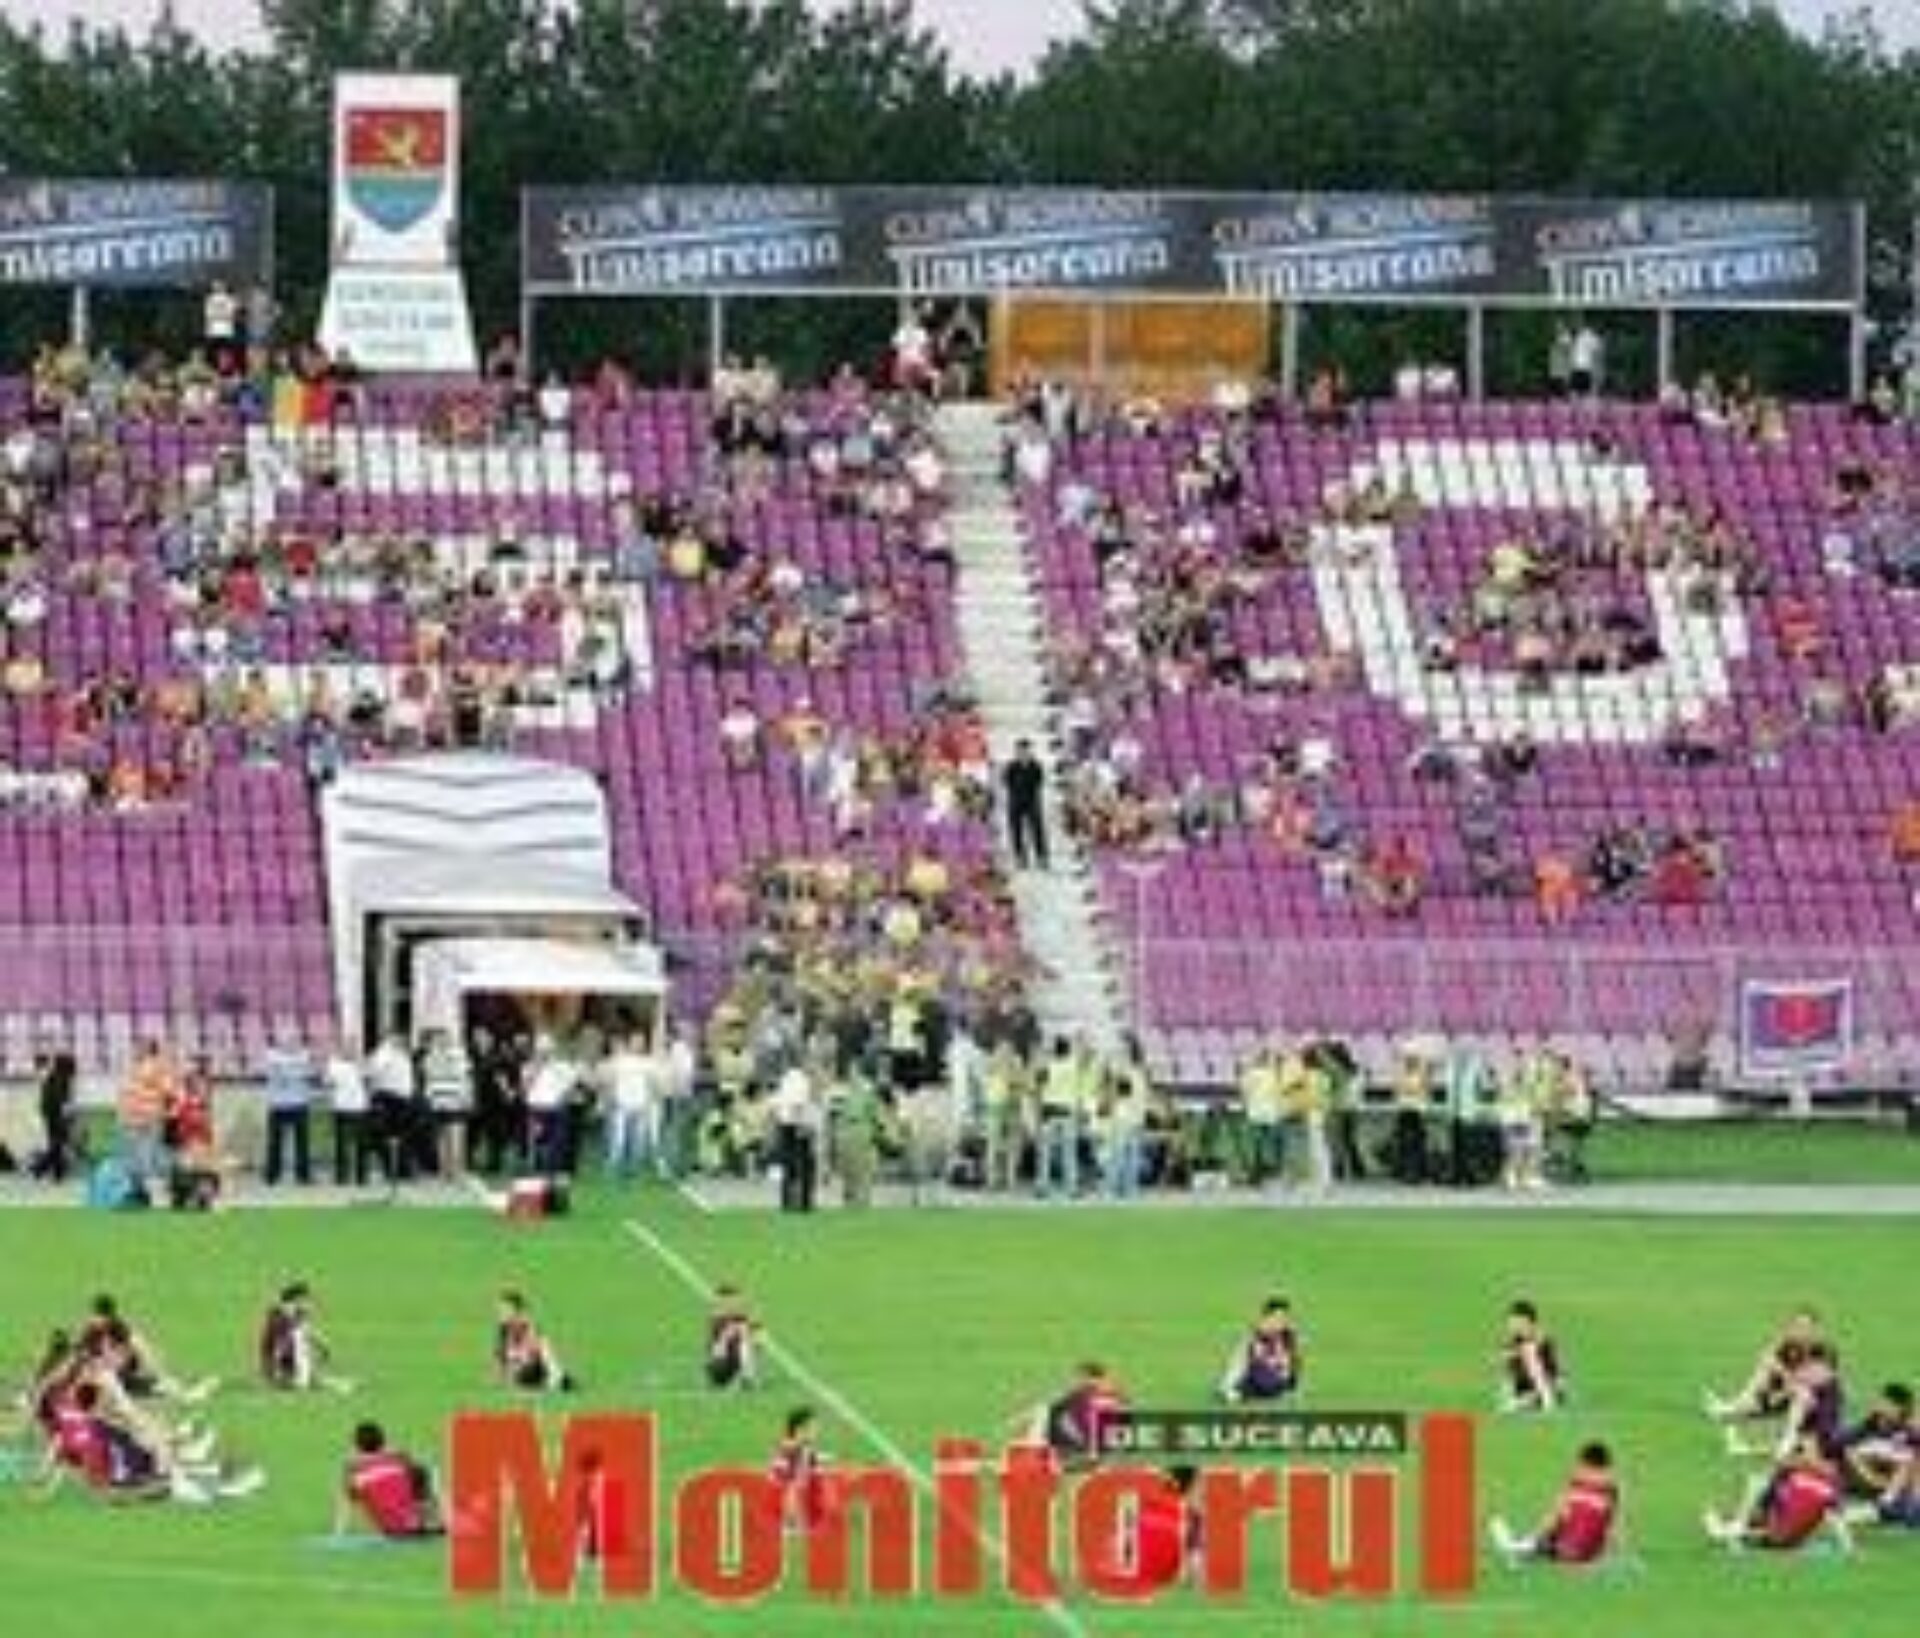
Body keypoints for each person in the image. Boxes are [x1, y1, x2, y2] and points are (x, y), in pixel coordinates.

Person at [1704, 1436, 1854, 1553]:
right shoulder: (1808, 1477)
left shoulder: (1819, 1482)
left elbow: (1834, 1518)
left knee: (1758, 1486)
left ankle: (1734, 1531)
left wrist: (1847, 1546)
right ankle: (1737, 1527)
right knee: (1761, 1487)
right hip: (1784, 1530)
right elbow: (1835, 1519)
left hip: (1781, 1536)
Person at [1489, 1442, 1621, 1566]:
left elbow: (1555, 1516)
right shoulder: (1611, 1489)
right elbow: (1612, 1527)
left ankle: (1522, 1547)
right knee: (1570, 1523)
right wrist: (1605, 1555)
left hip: (1566, 1550)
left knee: (1558, 1522)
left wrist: (1536, 1537)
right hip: (1589, 1554)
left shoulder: (1576, 1484)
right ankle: (1523, 1548)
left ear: (1584, 1463)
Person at [1705, 1307, 1830, 1422]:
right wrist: (1782, 1376)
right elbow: (1766, 1357)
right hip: (1784, 1393)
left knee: (1801, 1393)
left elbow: (1816, 1383)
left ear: (1814, 1329)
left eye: (1805, 1327)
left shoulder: (1821, 1350)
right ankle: (1738, 1404)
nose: (1800, 1330)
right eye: (1797, 1326)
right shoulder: (1786, 1343)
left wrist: (1785, 1388)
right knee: (1763, 1372)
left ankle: (1789, 1433)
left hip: (1807, 1399)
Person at [336, 1421, 444, 1539]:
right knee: (423, 1472)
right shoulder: (398, 1460)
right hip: (420, 1525)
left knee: (353, 1490)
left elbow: (349, 1499)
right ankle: (436, 1518)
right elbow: (413, 1465)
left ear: (357, 1445)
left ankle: (339, 1531)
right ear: (383, 1441)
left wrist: (339, 1532)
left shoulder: (355, 1470)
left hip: (392, 1530)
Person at [259, 1282, 351, 1394]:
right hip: (278, 1364)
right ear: (296, 1299)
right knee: (298, 1335)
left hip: (284, 1363)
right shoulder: (280, 1316)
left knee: (301, 1335)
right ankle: (299, 1380)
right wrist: (275, 1369)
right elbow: (279, 1344)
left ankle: (305, 1379)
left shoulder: (295, 1313)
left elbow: (310, 1333)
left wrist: (323, 1347)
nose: (308, 1303)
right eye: (305, 1299)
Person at [1219, 1297, 1302, 1404]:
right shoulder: (1254, 1335)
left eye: (1284, 1318)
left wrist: (1290, 1379)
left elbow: (1293, 1361)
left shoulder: (1288, 1335)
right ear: (1266, 1317)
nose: (1280, 1322)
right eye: (1276, 1318)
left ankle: (1242, 1392)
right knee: (1255, 1380)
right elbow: (1240, 1360)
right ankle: (1232, 1390)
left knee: (1274, 1383)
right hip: (1257, 1377)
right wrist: (1228, 1383)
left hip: (1277, 1380)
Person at [602, 1029, 660, 1181]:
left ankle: (635, 1170)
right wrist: (610, 1099)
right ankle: (612, 1168)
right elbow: (610, 1080)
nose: (638, 1044)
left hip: (641, 1106)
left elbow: (652, 1084)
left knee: (638, 1141)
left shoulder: (648, 1063)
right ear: (630, 1043)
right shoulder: (620, 1061)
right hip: (622, 1104)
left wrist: (650, 1101)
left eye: (641, 1042)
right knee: (618, 1140)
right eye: (635, 1041)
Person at [494, 1291, 577, 1393]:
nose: (502, 1314)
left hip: (532, 1366)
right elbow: (501, 1355)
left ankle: (556, 1377)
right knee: (524, 1375)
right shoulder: (503, 1330)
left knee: (542, 1349)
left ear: (516, 1311)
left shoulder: (526, 1326)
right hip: (518, 1370)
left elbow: (537, 1348)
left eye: (506, 1310)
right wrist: (504, 1373)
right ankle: (554, 1379)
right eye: (501, 1310)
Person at [262, 1035, 316, 1187]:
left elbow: (310, 1074)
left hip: (299, 1103)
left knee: (302, 1143)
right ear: (280, 1043)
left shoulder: (305, 1055)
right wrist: (295, 1071)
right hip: (277, 1104)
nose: (290, 1044)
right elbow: (273, 1074)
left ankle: (303, 1176)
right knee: (274, 1142)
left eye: (293, 1041)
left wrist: (294, 1071)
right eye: (286, 1041)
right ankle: (272, 1175)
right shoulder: (272, 1056)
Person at [770, 1060, 821, 1213]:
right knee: (805, 1166)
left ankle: (788, 1202)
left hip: (787, 1125)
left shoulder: (788, 1078)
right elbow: (797, 1105)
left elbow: (778, 1105)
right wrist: (801, 1126)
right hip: (798, 1125)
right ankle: (805, 1203)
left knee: (790, 1167)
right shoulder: (800, 1080)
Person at [421, 1029, 472, 1180]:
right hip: (438, 1101)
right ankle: (444, 1171)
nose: (441, 1041)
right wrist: (429, 1098)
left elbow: (465, 1077)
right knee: (441, 1138)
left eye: (444, 1038)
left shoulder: (459, 1055)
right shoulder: (430, 1057)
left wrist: (467, 1097)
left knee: (456, 1137)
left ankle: (457, 1171)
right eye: (438, 1039)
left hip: (456, 1101)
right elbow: (428, 1078)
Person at [770, 1407, 829, 1533]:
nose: (816, 1431)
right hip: (791, 1517)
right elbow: (788, 1487)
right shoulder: (791, 1452)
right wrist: (794, 1521)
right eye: (813, 1427)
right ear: (800, 1430)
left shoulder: (801, 1449)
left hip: (798, 1513)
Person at [1501, 1300, 1565, 1413]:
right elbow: (1510, 1371)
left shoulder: (1542, 1340)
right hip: (1526, 1388)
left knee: (1529, 1350)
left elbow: (1555, 1370)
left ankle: (1544, 1401)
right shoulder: (1511, 1342)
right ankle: (1525, 1400)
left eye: (1518, 1322)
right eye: (1512, 1322)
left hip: (1547, 1387)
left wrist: (1551, 1392)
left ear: (1529, 1322)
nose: (1513, 1326)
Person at [326, 1043, 370, 1186]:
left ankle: (362, 1177)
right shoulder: (334, 1064)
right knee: (341, 1144)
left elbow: (368, 1077)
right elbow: (328, 1081)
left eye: (353, 1048)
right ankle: (341, 1177)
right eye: (346, 1048)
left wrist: (359, 1064)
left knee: (362, 1144)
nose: (350, 1051)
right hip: (341, 1107)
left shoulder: (361, 1063)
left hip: (359, 1107)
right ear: (341, 1050)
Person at [1002, 740, 1050, 870]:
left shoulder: (1036, 766)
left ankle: (1041, 856)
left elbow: (1039, 782)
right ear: (1016, 752)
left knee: (1037, 829)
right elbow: (1006, 782)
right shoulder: (1011, 766)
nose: (1023, 754)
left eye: (1025, 751)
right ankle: (1020, 857)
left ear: (1030, 751)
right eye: (1020, 751)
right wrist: (1015, 793)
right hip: (1015, 801)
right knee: (1016, 830)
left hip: (1032, 801)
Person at [34, 1044, 78, 1183]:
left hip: (50, 1114)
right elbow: (62, 1099)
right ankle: (41, 1168)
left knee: (56, 1144)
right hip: (56, 1115)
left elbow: (53, 1098)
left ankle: (57, 1173)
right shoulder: (62, 1079)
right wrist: (67, 1115)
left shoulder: (53, 1076)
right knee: (58, 1144)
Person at [706, 1285, 761, 1390]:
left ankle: (746, 1376)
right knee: (743, 1338)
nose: (733, 1304)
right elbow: (721, 1341)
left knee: (747, 1340)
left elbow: (756, 1331)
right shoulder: (718, 1318)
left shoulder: (739, 1317)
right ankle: (746, 1376)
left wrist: (754, 1331)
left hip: (733, 1359)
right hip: (722, 1363)